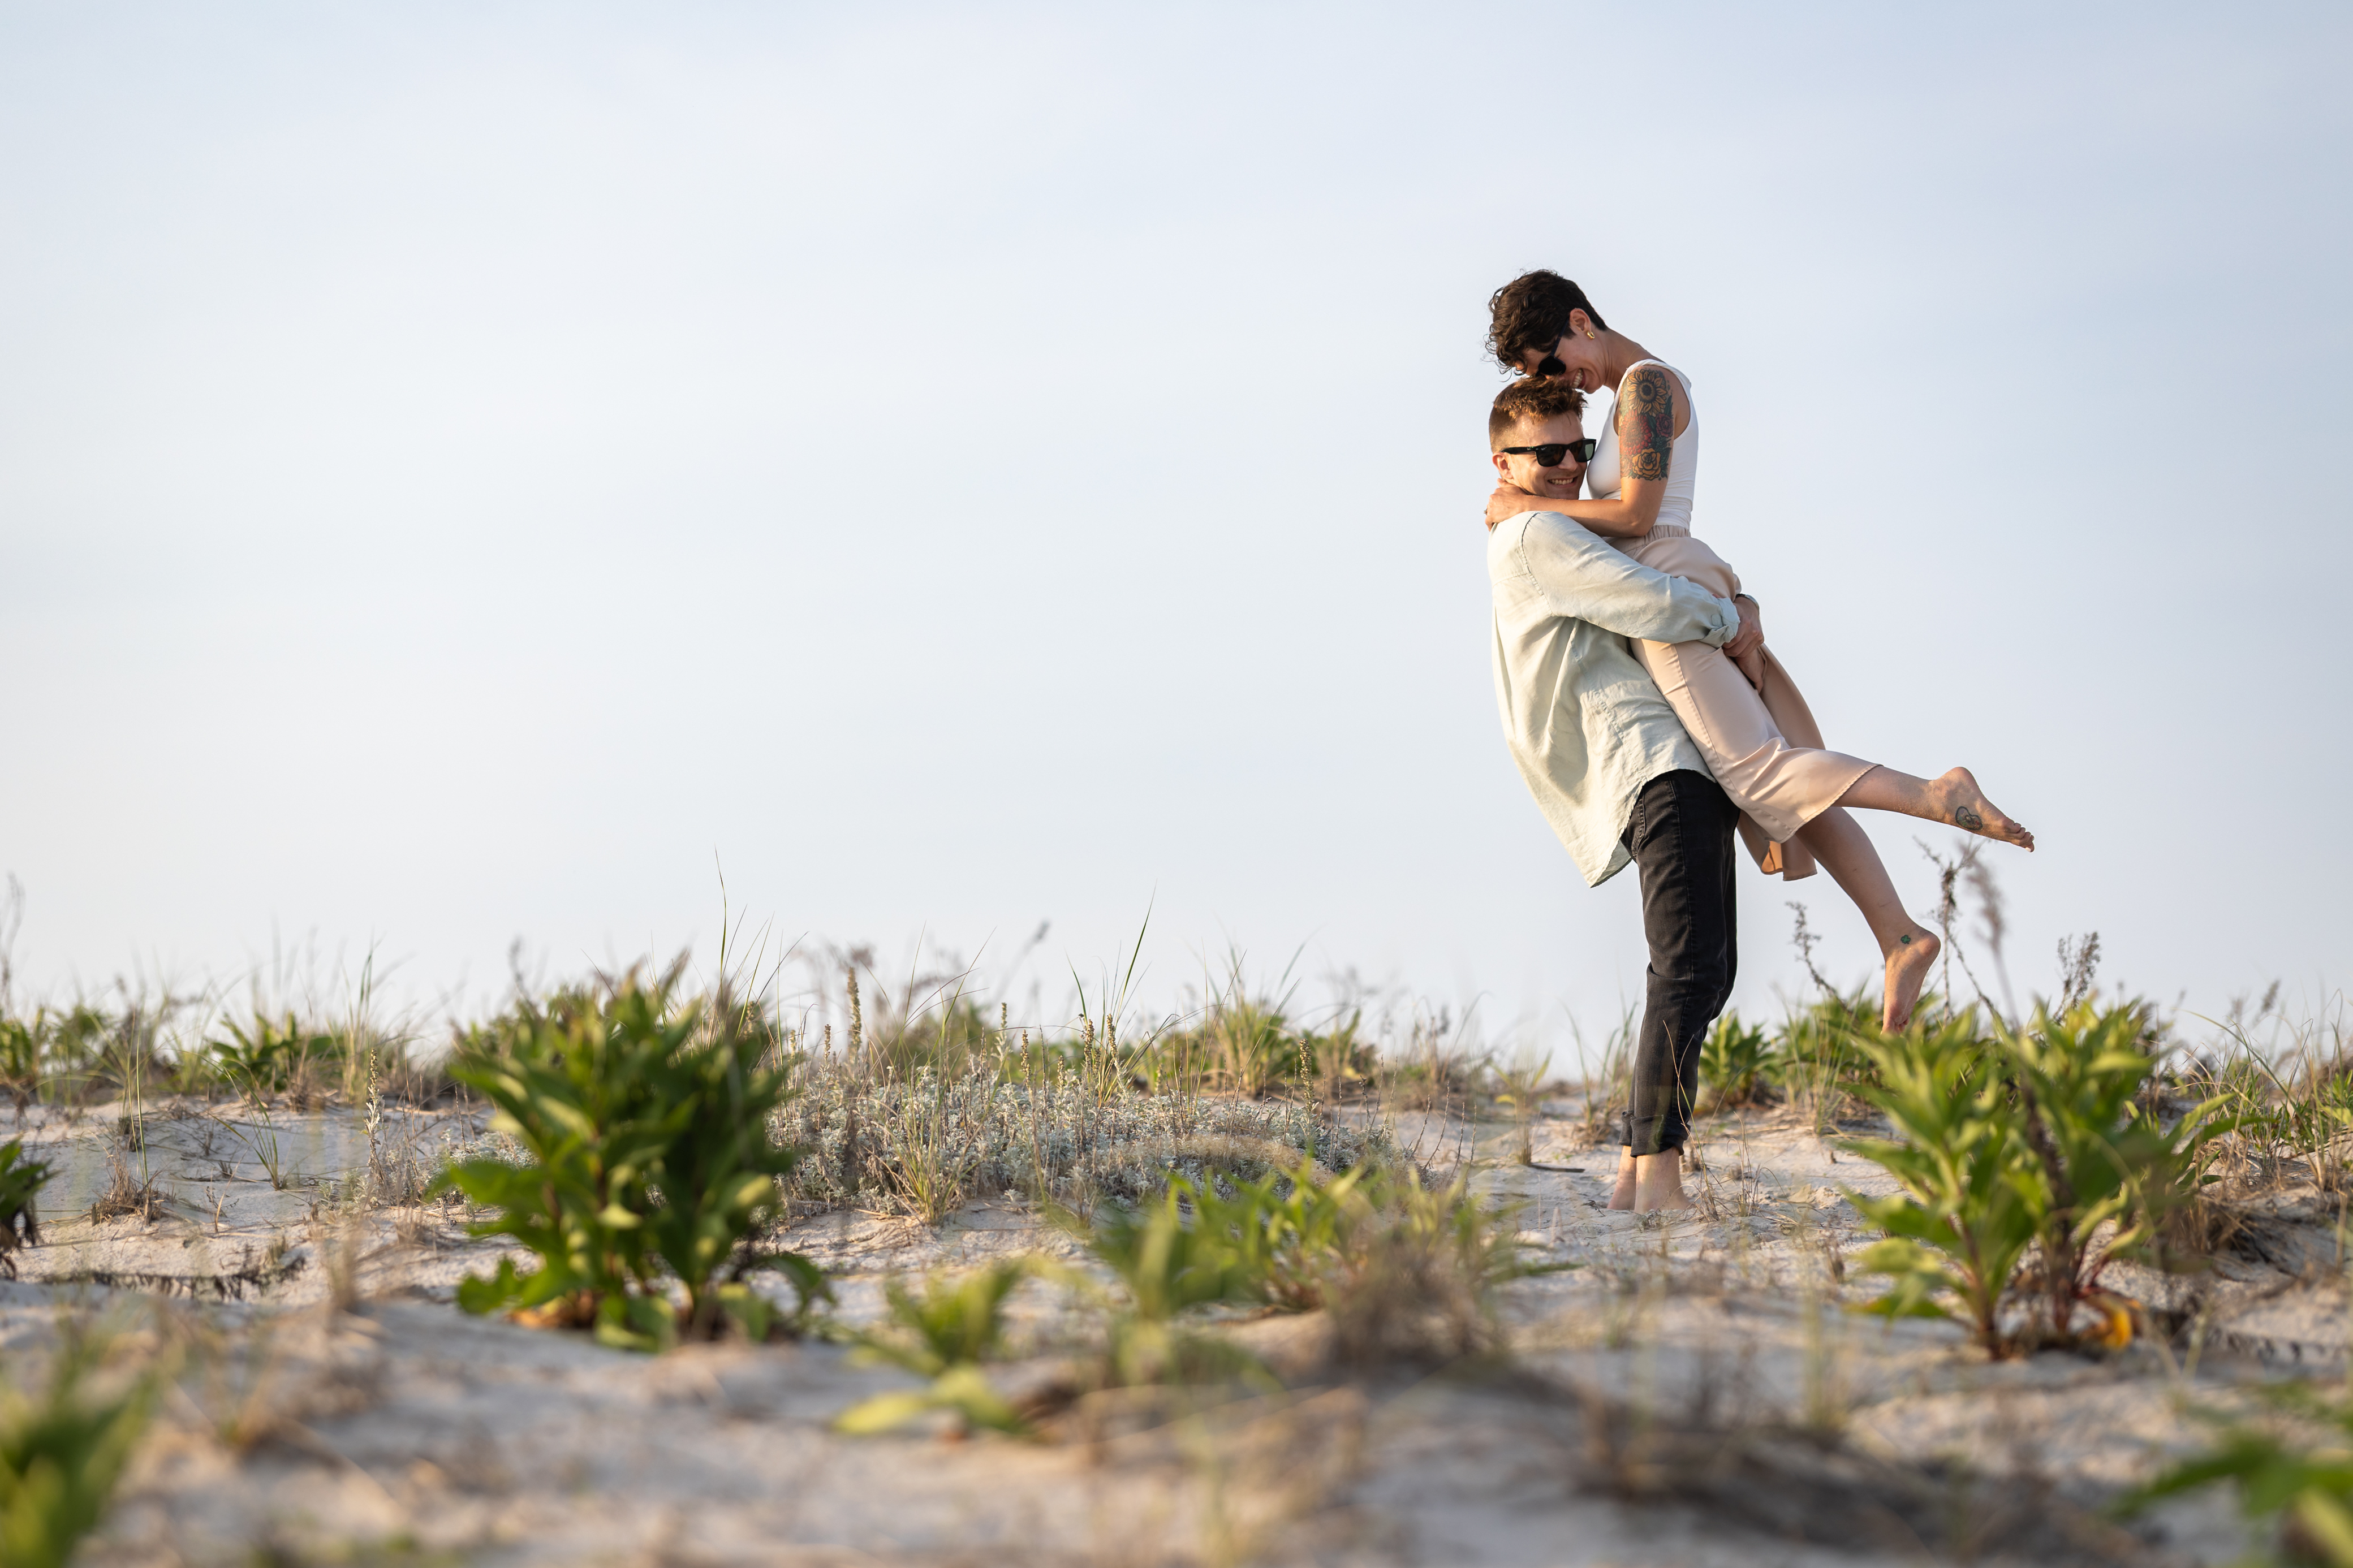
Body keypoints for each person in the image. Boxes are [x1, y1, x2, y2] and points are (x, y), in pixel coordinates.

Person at [1484, 269, 2033, 1035]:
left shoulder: (1645, 387)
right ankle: (1898, 932)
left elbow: (1639, 510)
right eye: (1535, 376)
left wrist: (1524, 504)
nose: (1552, 381)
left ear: (1580, 320)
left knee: (1760, 770)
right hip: (1665, 581)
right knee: (1777, 775)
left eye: (1550, 360)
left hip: (1668, 584)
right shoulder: (1625, 401)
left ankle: (1935, 793)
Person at [1486, 375, 1752, 1211]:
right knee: (1689, 964)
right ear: (1504, 462)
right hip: (1647, 756)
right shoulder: (1536, 536)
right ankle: (1656, 1172)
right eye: (1548, 453)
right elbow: (1649, 601)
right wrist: (1732, 613)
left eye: (1581, 449)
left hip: (1657, 757)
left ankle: (1640, 1173)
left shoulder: (1541, 526)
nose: (1569, 467)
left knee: (1706, 966)